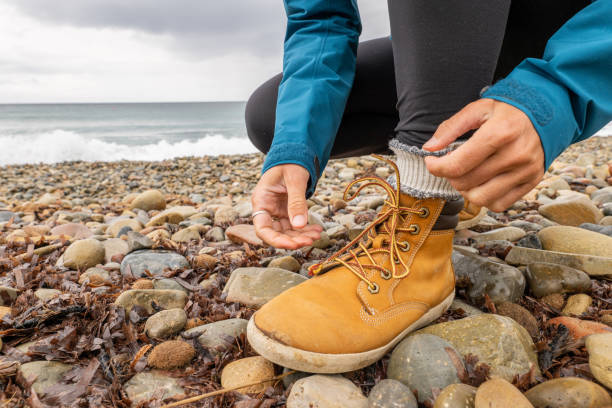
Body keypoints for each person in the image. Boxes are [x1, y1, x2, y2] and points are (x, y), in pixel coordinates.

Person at [243, 0, 612, 373]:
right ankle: (462, 172)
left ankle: (426, 245)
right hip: (457, 43)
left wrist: (557, 90)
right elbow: (321, 19)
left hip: (576, 41)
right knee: (269, 116)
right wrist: (296, 146)